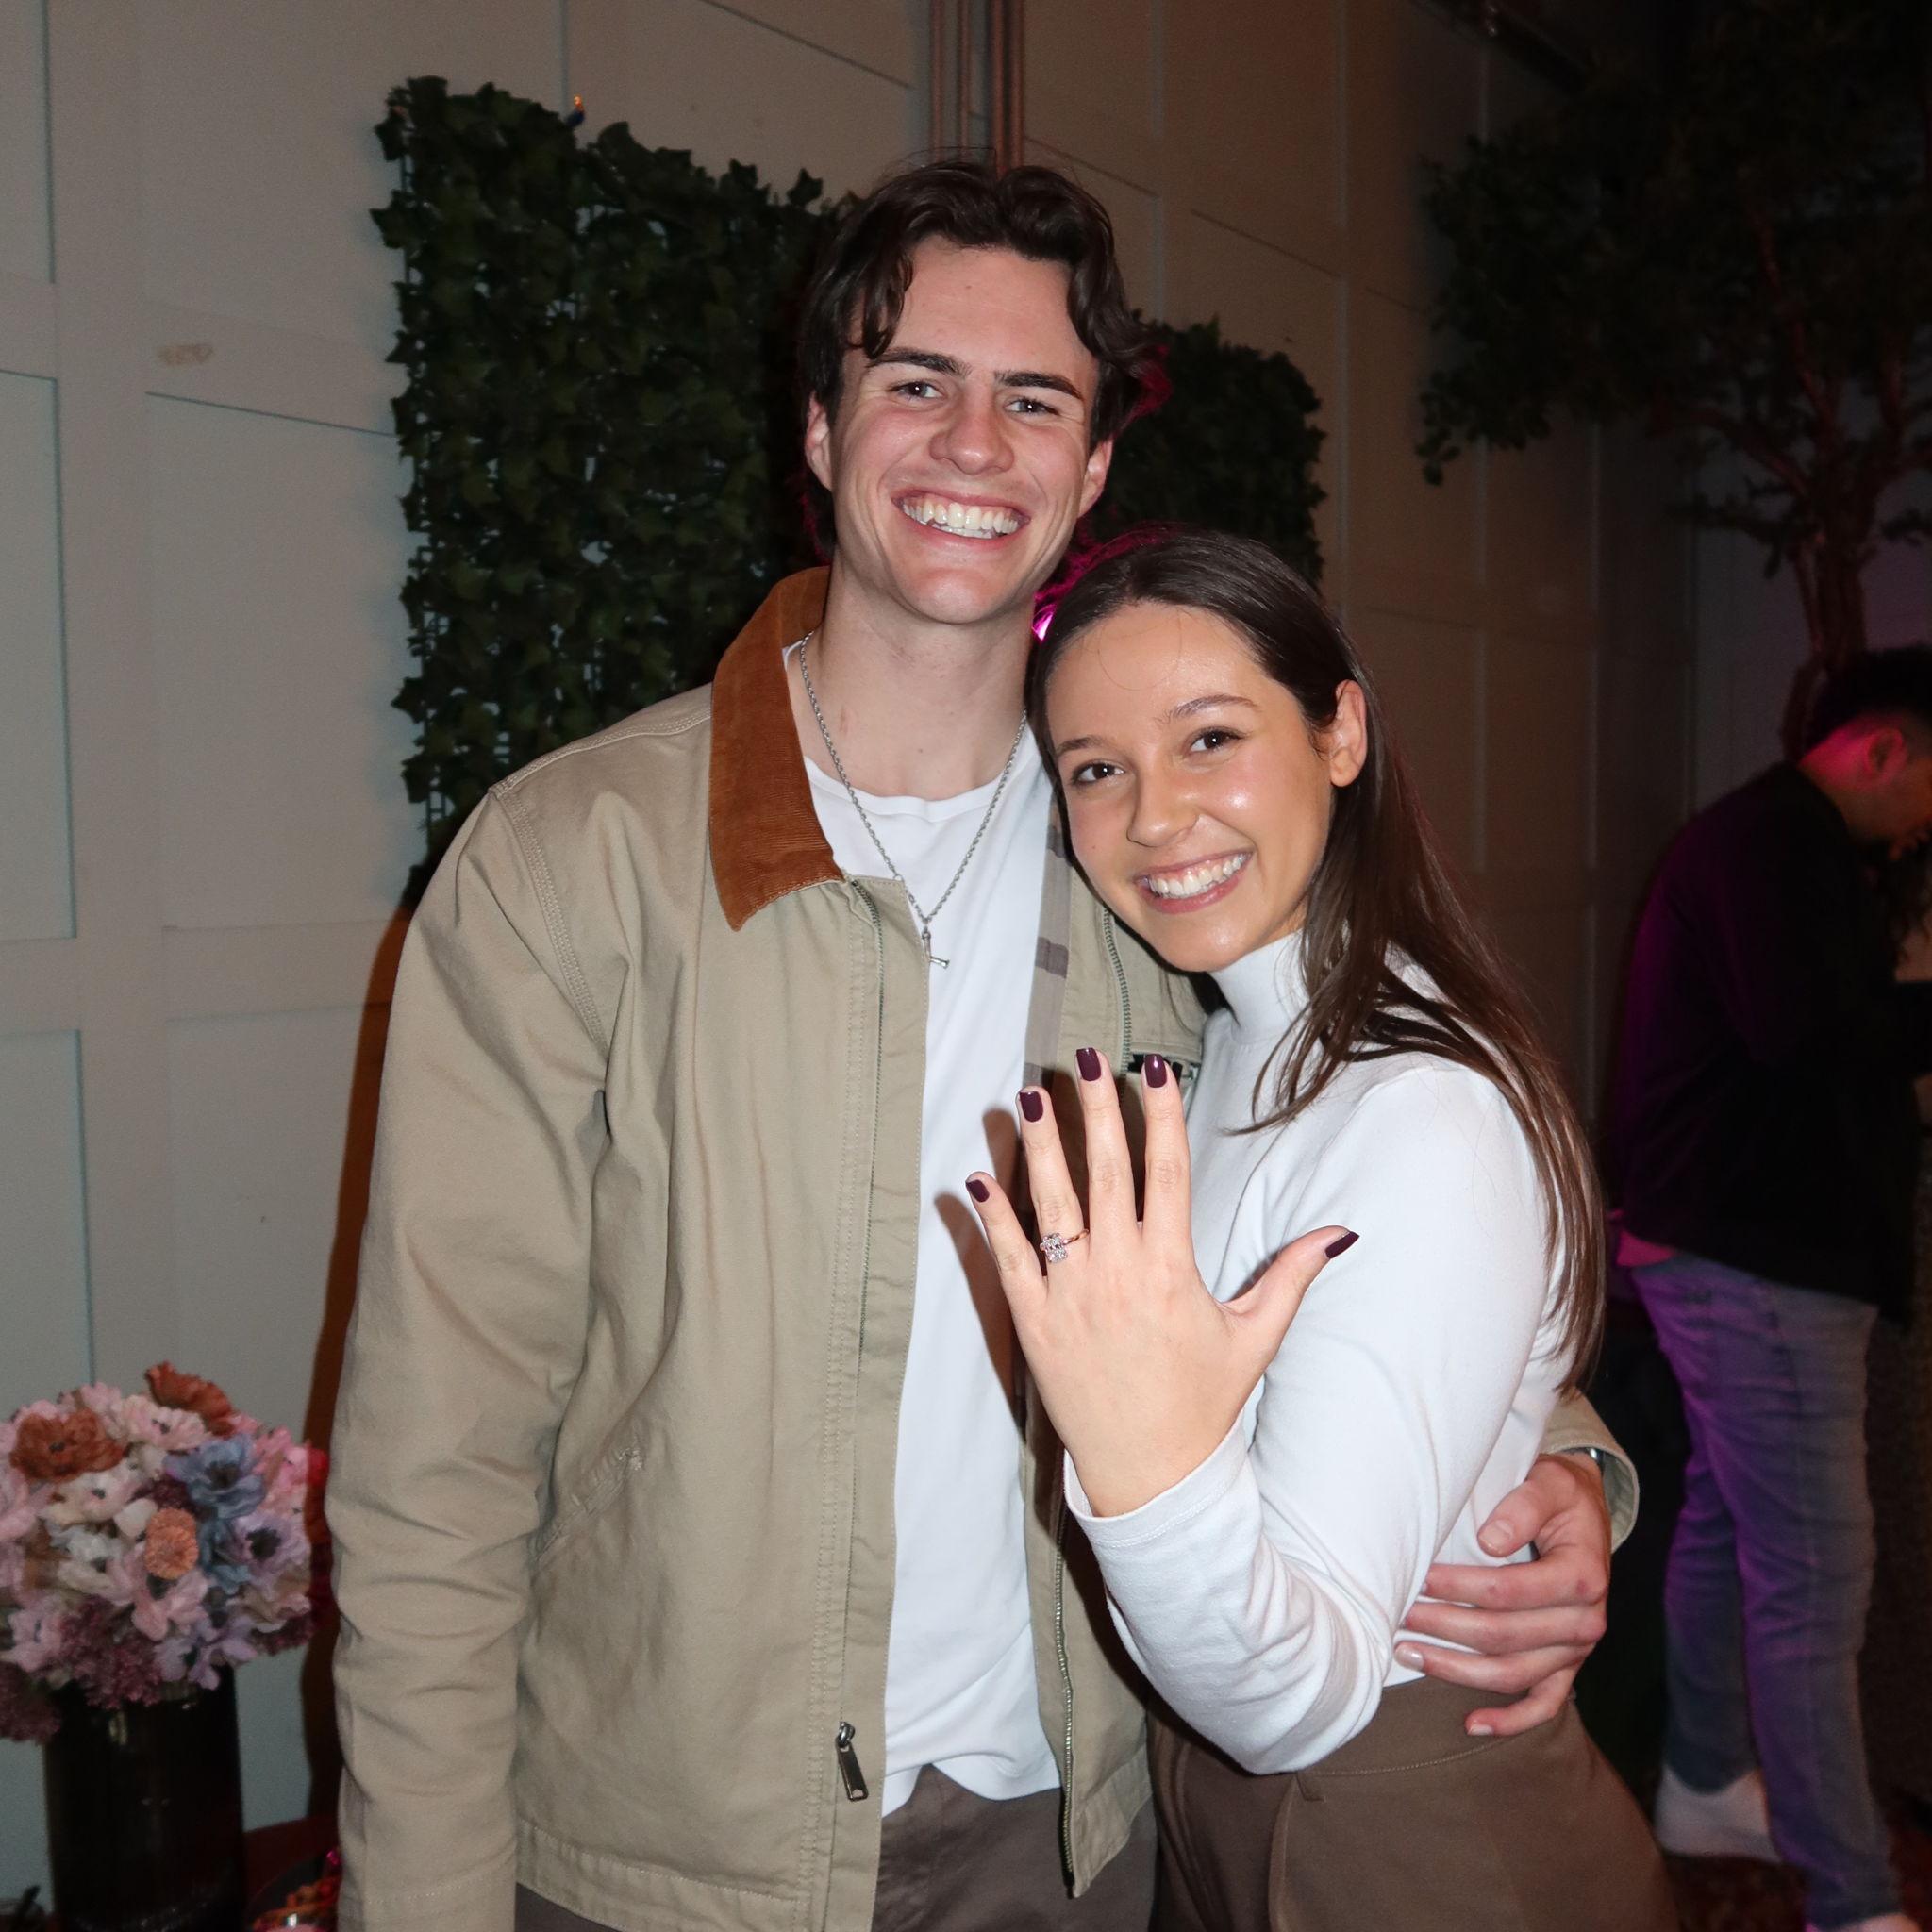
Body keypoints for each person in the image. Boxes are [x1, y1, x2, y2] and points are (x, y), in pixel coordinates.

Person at [327, 160, 1637, 1932]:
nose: (972, 442)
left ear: (1091, 470)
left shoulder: (1154, 867)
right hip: (672, 1860)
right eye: (915, 380)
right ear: (818, 426)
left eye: (1034, 399)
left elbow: (1353, 1185)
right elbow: (436, 1473)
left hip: (1072, 1836)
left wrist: (1563, 1462)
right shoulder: (579, 862)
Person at [966, 527, 1675, 1931]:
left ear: (1340, 730)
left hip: (1408, 1831)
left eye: (1209, 738)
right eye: (1096, 769)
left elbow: (1299, 1697)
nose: (1155, 817)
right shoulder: (1236, 1035)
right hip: (1223, 1804)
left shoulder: (1418, 1110)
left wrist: (1144, 1455)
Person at [1607, 645, 1932, 1932]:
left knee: (1731, 1529)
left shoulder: (1778, 841)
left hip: (1733, 1246)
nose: (1928, 818)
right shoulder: (1772, 842)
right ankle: (1853, 1895)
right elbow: (1811, 1035)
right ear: (1888, 747)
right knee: (1815, 1577)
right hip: (1756, 1258)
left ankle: (1701, 1783)